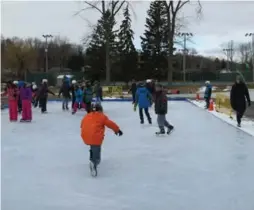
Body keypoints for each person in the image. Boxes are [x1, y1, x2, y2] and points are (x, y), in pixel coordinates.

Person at [80, 103, 123, 176]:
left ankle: (91, 158)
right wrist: (117, 130)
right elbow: (110, 124)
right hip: (95, 137)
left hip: (85, 136)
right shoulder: (102, 116)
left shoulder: (87, 116)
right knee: (97, 155)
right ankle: (94, 163)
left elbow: (81, 125)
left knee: (93, 146)